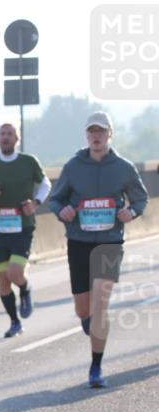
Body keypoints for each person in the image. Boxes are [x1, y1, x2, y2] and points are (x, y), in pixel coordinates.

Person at [48, 111, 149, 388]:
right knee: (84, 309)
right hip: (79, 242)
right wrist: (63, 210)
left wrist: (133, 212)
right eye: (92, 131)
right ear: (86, 135)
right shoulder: (73, 166)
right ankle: (88, 320)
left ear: (110, 135)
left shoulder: (124, 167)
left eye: (101, 131)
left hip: (109, 243)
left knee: (100, 305)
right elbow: (55, 200)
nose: (96, 136)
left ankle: (96, 367)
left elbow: (141, 198)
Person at [0, 122, 51, 337]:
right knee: (3, 281)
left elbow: (46, 184)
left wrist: (35, 203)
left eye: (10, 134)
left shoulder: (29, 162)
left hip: (23, 225)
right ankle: (14, 322)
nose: (5, 137)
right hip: (0, 227)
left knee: (15, 272)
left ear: (17, 139)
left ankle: (25, 288)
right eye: (2, 134)